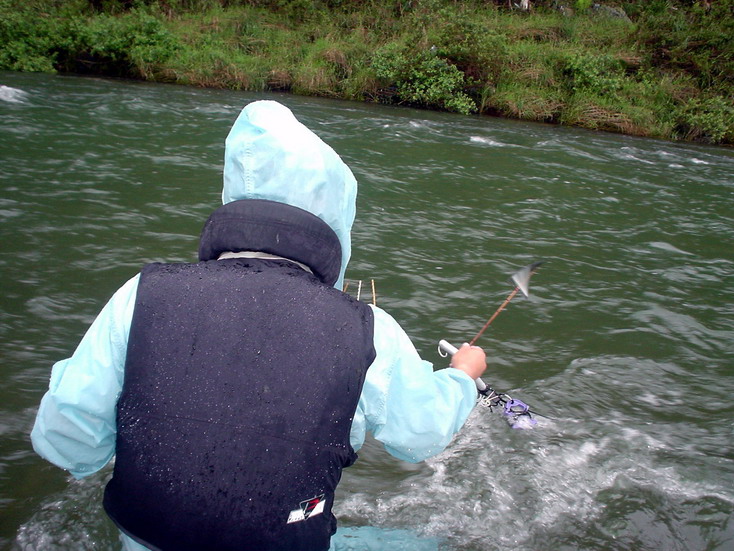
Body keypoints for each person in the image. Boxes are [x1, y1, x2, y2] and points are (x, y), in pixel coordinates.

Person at [31, 100, 486, 551]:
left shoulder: (141, 291)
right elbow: (420, 435)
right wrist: (463, 376)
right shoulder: (368, 328)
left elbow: (69, 444)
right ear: (336, 221)